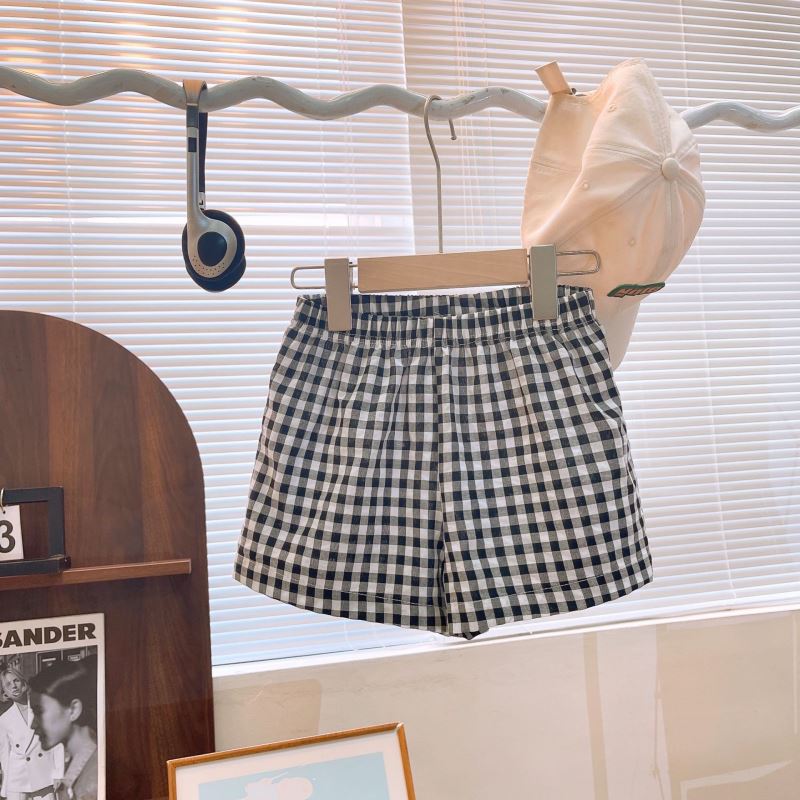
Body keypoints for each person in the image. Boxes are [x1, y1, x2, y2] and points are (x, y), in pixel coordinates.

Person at [28, 657, 98, 800]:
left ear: (73, 710)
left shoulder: (93, 783)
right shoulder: (80, 760)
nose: (33, 724)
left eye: (39, 711)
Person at [0, 664, 62, 800]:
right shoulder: (4, 719)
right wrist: (5, 784)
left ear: (24, 682)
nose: (13, 686)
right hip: (16, 780)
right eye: (8, 684)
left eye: (16, 680)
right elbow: (5, 755)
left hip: (43, 775)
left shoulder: (43, 707)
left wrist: (58, 773)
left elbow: (57, 742)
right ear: (5, 692)